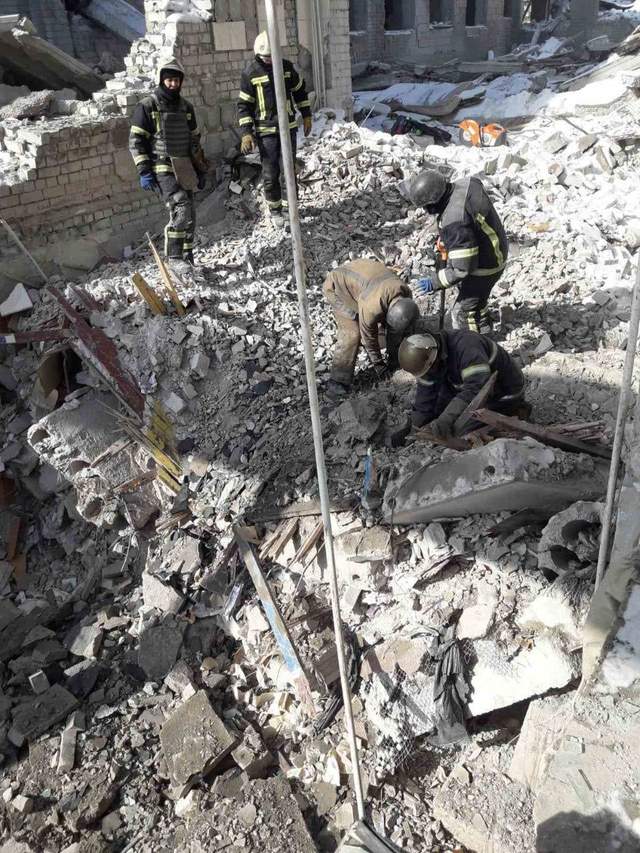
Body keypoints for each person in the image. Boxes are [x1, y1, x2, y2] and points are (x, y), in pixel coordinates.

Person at [403, 170, 508, 335]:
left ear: (434, 202)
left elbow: (462, 269)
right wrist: (450, 240)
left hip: (486, 266)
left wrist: (435, 281)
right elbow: (470, 222)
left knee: (462, 312)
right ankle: (483, 323)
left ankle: (475, 345)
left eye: (426, 207)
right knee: (476, 298)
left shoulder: (455, 221)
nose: (426, 211)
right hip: (495, 247)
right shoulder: (468, 183)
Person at [129, 57, 208, 269]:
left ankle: (187, 257)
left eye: (176, 80)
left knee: (190, 214)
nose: (173, 84)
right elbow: (136, 141)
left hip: (185, 166)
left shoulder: (186, 107)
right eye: (169, 80)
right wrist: (144, 171)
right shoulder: (148, 106)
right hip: (162, 167)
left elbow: (194, 141)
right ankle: (174, 259)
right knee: (181, 207)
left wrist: (200, 169)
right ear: (162, 80)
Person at [392, 329, 528, 444]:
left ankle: (516, 411)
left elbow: (477, 389)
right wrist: (414, 428)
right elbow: (425, 399)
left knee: (459, 432)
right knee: (438, 414)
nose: (428, 374)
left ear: (434, 359)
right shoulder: (432, 359)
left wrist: (446, 419)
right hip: (466, 386)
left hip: (503, 391)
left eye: (429, 370)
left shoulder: (467, 346)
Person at [237, 31, 312, 227]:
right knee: (270, 174)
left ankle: (290, 209)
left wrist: (306, 115)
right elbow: (244, 106)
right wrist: (246, 133)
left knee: (288, 172)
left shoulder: (286, 68)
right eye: (265, 57)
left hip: (288, 128)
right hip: (266, 133)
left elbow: (300, 91)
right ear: (258, 54)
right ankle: (276, 211)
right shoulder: (250, 73)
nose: (269, 60)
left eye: (272, 56)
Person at [323, 258, 421, 399]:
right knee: (353, 333)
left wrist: (395, 360)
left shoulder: (405, 293)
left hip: (364, 281)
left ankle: (394, 358)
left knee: (396, 326)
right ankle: (337, 382)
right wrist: (378, 364)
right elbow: (368, 336)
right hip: (338, 287)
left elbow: (399, 326)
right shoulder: (371, 307)